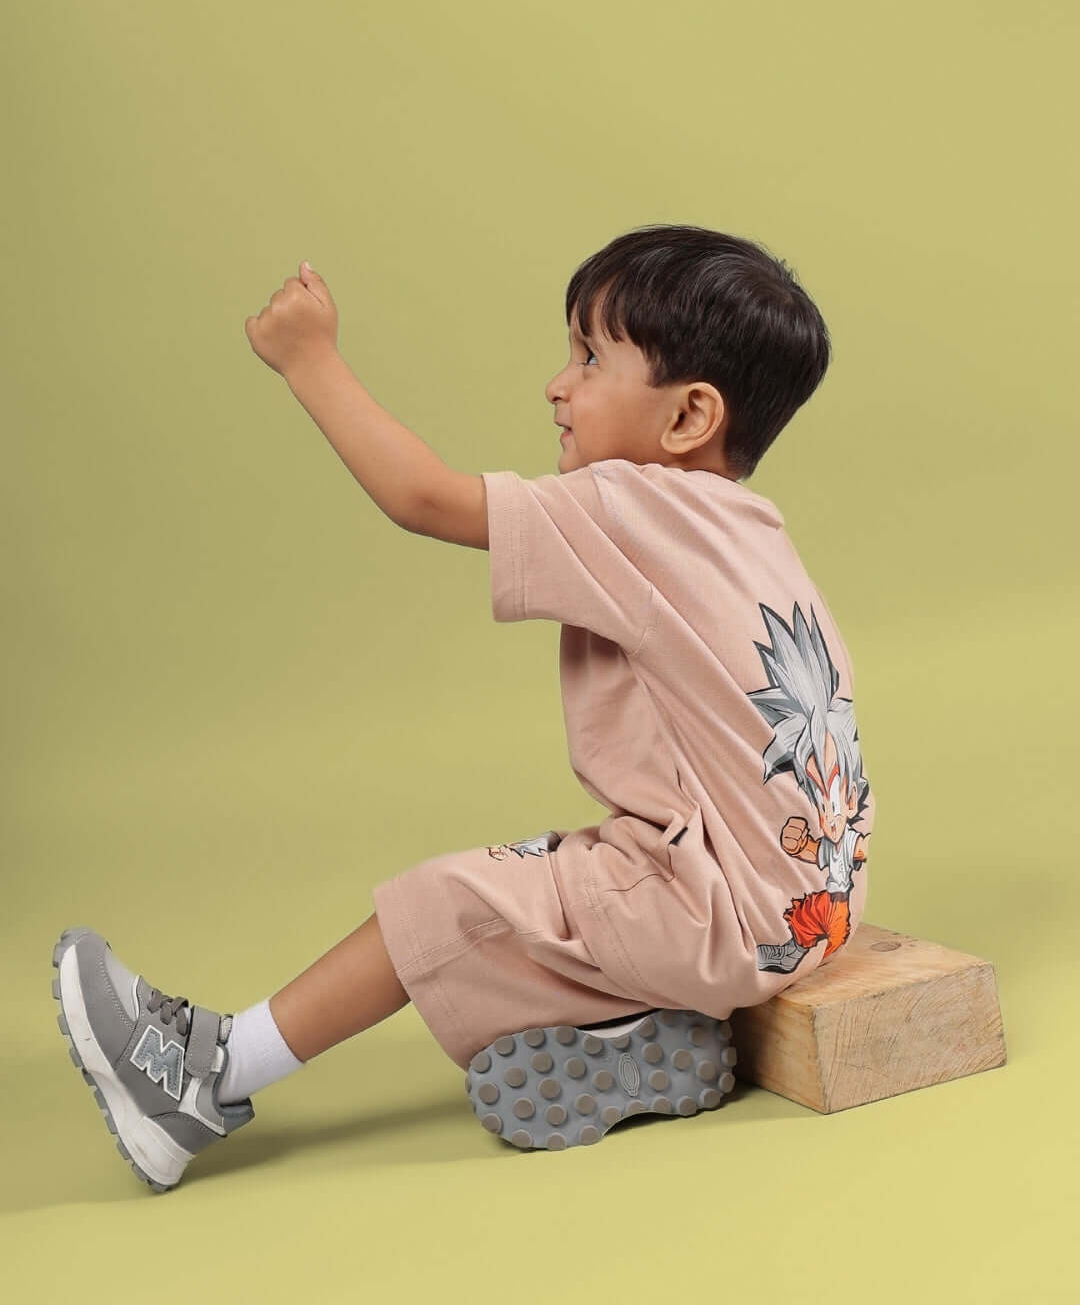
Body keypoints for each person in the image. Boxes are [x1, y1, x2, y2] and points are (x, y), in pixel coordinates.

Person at [52, 223, 875, 1187]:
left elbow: (422, 498)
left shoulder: (635, 503)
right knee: (550, 884)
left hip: (714, 909)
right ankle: (636, 1031)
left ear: (690, 417)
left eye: (590, 357)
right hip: (811, 911)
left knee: (455, 900)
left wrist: (306, 358)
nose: (557, 383)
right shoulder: (749, 526)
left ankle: (208, 1078)